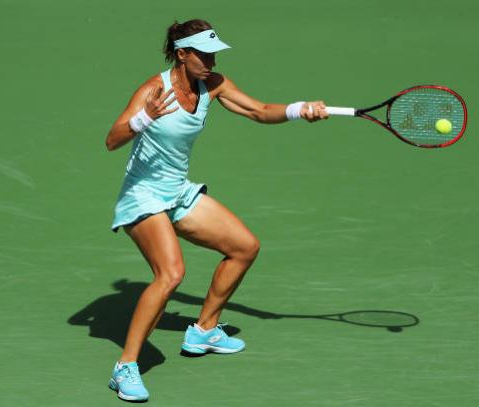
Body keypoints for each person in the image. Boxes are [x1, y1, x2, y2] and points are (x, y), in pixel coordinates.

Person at [105, 19, 328, 402]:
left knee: (244, 247)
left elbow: (258, 110)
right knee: (171, 273)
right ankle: (125, 366)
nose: (210, 61)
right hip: (143, 196)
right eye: (203, 54)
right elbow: (112, 139)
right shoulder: (154, 88)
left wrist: (299, 109)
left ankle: (203, 331)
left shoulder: (213, 84)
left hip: (177, 193)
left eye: (213, 53)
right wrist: (146, 118)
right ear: (182, 54)